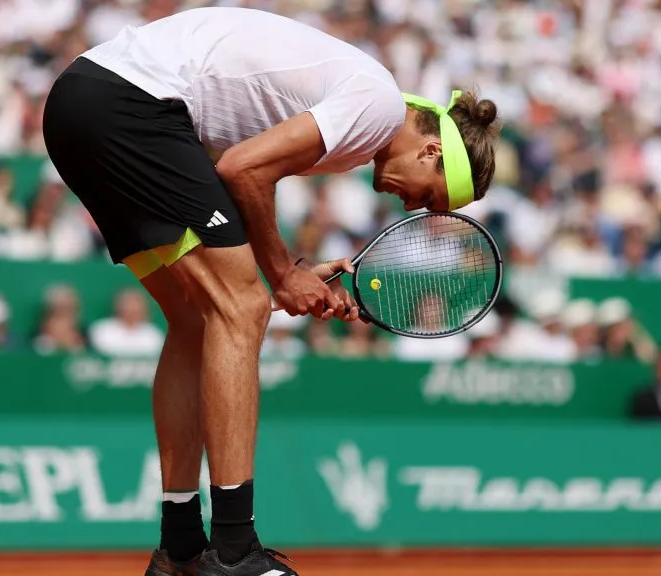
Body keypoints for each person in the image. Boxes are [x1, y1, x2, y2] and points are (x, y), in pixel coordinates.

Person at [42, 7, 499, 576]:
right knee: (241, 308)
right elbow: (242, 170)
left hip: (80, 104)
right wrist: (280, 276)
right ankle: (234, 548)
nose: (412, 207)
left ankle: (180, 545)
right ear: (432, 152)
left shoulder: (360, 112)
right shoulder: (379, 108)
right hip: (131, 106)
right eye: (428, 197)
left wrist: (287, 272)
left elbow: (230, 174)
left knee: (198, 319)